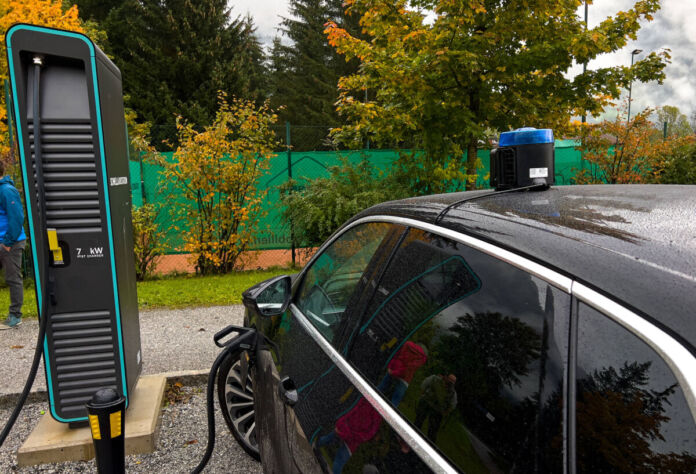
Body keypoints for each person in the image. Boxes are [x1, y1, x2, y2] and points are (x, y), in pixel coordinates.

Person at [0, 161, 26, 330]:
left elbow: (17, 218)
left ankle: (15, 316)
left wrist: (7, 244)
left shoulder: (6, 190)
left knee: (12, 278)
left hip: (11, 242)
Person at [377, 341, 428, 407]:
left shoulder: (407, 344)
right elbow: (409, 368)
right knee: (395, 402)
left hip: (393, 370)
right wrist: (397, 372)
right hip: (405, 379)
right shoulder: (422, 357)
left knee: (379, 389)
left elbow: (396, 355)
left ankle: (367, 404)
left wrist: (390, 368)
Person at [414, 373, 457, 442]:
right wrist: (423, 395)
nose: (450, 382)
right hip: (427, 402)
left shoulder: (452, 393)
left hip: (437, 410)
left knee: (432, 431)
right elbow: (424, 385)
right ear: (446, 377)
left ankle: (429, 444)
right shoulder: (435, 379)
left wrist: (445, 412)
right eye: (450, 379)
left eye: (453, 381)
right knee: (419, 420)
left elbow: (453, 405)